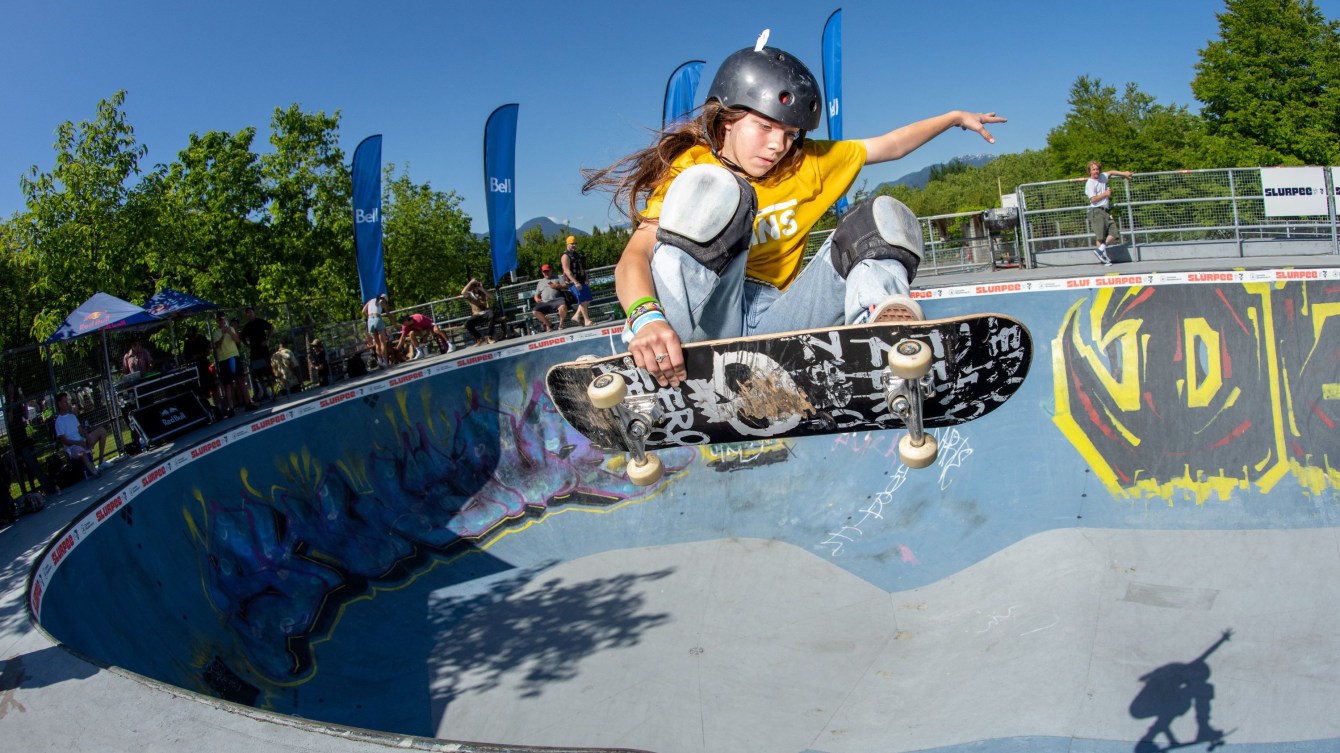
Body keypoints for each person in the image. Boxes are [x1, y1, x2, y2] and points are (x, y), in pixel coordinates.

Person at [584, 35, 1004, 387]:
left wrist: (952, 118)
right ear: (727, 119)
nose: (776, 146)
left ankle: (884, 333)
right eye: (764, 127)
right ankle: (657, 348)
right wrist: (645, 317)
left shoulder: (810, 164)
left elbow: (890, 145)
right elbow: (635, 257)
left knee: (878, 219)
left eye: (789, 134)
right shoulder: (693, 166)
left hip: (777, 319)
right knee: (717, 192)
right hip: (702, 318)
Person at [4, 380, 57, 496]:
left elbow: (26, 415)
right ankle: (26, 492)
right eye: (8, 388)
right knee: (20, 468)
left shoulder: (18, 400)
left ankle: (38, 487)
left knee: (32, 463)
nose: (11, 390)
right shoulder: (7, 404)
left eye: (11, 387)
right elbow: (10, 420)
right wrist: (11, 404)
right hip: (15, 438)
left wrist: (22, 397)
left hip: (22, 435)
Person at [1084, 160, 1134, 266]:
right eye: (1093, 169)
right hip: (1096, 211)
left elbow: (1111, 172)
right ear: (1090, 171)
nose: (1096, 171)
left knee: (1114, 232)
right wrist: (1106, 193)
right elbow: (1093, 199)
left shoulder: (1102, 176)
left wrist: (1124, 174)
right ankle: (1103, 258)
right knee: (1100, 237)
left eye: (1097, 169)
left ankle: (1100, 251)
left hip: (1105, 211)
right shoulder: (1090, 183)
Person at [54, 391, 110, 478]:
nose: (67, 404)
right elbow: (65, 441)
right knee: (82, 453)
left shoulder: (72, 416)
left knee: (102, 431)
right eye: (64, 402)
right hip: (73, 449)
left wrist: (87, 437)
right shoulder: (58, 421)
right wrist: (79, 443)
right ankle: (94, 472)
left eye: (67, 401)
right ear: (59, 404)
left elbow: (81, 430)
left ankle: (101, 462)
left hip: (82, 442)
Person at [213, 313, 254, 415]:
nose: (221, 321)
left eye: (223, 319)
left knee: (241, 380)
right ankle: (231, 408)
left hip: (234, 357)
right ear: (217, 321)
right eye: (219, 320)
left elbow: (238, 341)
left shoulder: (231, 328)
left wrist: (230, 333)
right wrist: (222, 335)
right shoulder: (215, 332)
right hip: (224, 360)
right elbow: (217, 346)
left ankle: (248, 403)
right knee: (228, 384)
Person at [239, 306, 276, 404]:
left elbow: (271, 327)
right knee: (256, 373)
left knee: (268, 371)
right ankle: (262, 392)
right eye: (248, 313)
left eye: (251, 312)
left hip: (263, 350)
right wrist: (248, 345)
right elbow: (242, 337)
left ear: (254, 312)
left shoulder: (260, 322)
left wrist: (267, 339)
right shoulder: (247, 326)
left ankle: (273, 392)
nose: (249, 314)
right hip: (254, 352)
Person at [560, 235, 594, 326]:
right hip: (573, 282)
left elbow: (580, 266)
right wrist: (575, 282)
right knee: (583, 300)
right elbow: (566, 270)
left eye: (575, 243)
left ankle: (576, 316)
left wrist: (585, 276)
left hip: (580, 279)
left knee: (587, 299)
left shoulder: (576, 254)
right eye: (572, 244)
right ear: (568, 244)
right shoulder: (565, 256)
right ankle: (587, 320)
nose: (574, 245)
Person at [531, 263, 570, 332]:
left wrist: (557, 286)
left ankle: (561, 324)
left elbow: (566, 286)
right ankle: (550, 325)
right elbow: (536, 294)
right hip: (545, 302)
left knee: (563, 307)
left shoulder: (558, 277)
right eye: (544, 272)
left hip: (557, 300)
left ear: (551, 270)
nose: (546, 273)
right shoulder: (540, 282)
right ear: (542, 272)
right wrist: (537, 299)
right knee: (535, 311)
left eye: (547, 271)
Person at [461, 279, 499, 345]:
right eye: (475, 285)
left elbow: (492, 297)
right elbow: (463, 292)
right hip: (477, 315)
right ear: (472, 286)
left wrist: (482, 289)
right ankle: (480, 338)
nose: (477, 287)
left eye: (477, 285)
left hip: (485, 313)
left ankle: (489, 336)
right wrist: (471, 282)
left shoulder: (483, 292)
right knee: (467, 324)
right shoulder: (470, 294)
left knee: (492, 314)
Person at [362, 293, 390, 368]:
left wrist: (369, 316)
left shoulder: (370, 301)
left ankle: (379, 360)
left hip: (370, 321)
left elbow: (363, 311)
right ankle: (385, 362)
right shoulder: (382, 301)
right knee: (383, 342)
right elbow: (387, 312)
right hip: (377, 318)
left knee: (377, 343)